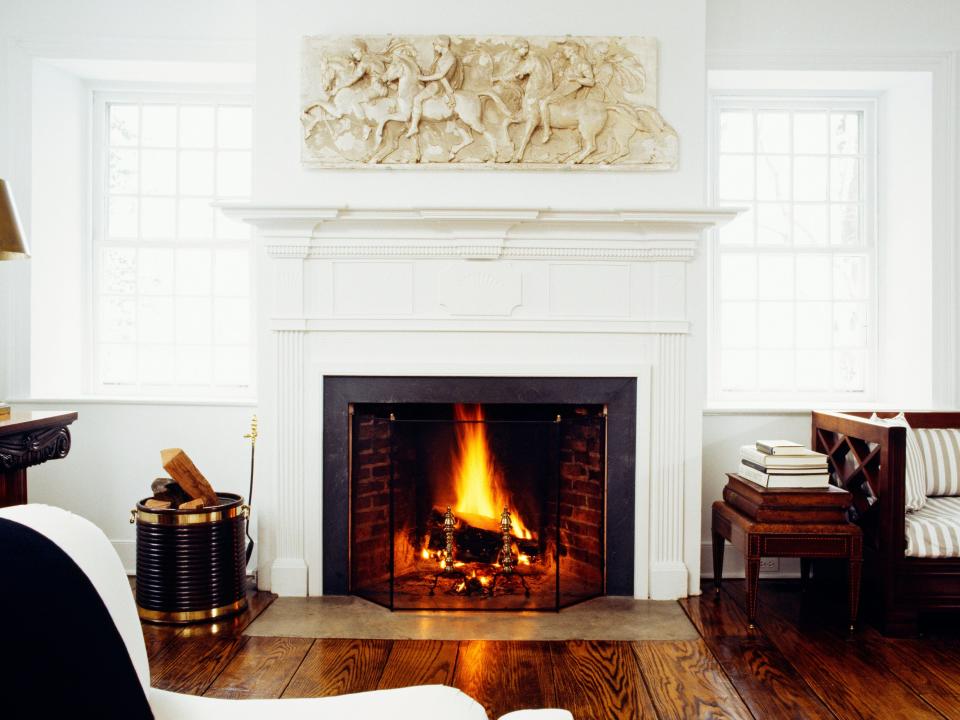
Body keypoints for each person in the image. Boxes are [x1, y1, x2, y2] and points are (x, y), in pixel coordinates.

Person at [405, 36, 464, 138]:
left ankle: (414, 127)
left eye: (435, 45)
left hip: (439, 84)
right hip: (434, 82)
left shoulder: (450, 58)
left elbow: (440, 75)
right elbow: (434, 72)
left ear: (441, 45)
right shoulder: (441, 57)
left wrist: (423, 78)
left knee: (417, 99)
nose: (434, 47)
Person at [537, 43, 595, 143]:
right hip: (560, 90)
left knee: (543, 102)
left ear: (572, 51)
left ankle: (547, 131)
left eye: (566, 50)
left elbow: (591, 81)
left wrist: (576, 78)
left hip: (568, 93)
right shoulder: (570, 64)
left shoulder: (583, 64)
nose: (564, 53)